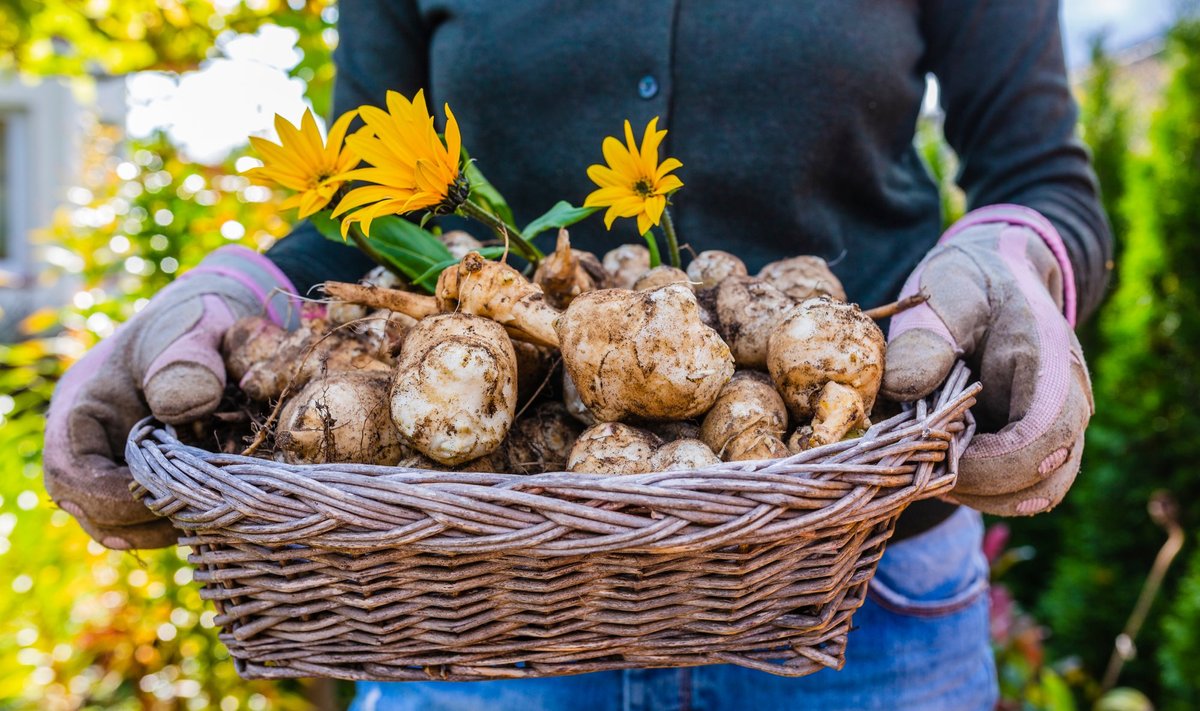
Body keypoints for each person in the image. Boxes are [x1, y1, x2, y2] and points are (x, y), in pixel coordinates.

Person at [44, 1, 1109, 709]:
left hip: (856, 581)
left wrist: (1012, 262)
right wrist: (240, 292)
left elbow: (1038, 173)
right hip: (465, 595)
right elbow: (355, 211)